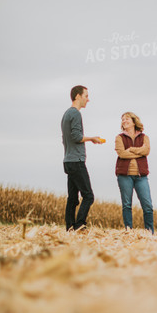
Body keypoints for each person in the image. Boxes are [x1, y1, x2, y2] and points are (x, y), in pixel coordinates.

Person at [61, 85, 103, 232]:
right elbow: (77, 137)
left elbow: (65, 139)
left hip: (68, 160)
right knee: (88, 196)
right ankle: (79, 225)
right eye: (86, 96)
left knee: (72, 197)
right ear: (77, 96)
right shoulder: (76, 114)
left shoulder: (66, 114)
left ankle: (69, 227)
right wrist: (92, 138)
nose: (88, 99)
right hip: (77, 161)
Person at [115, 112, 154, 233]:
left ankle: (149, 232)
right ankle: (129, 231)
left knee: (147, 205)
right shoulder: (119, 137)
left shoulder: (144, 137)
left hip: (141, 176)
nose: (124, 121)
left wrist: (131, 149)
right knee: (127, 205)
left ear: (133, 121)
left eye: (127, 119)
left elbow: (146, 150)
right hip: (124, 175)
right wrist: (139, 151)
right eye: (122, 119)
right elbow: (122, 153)